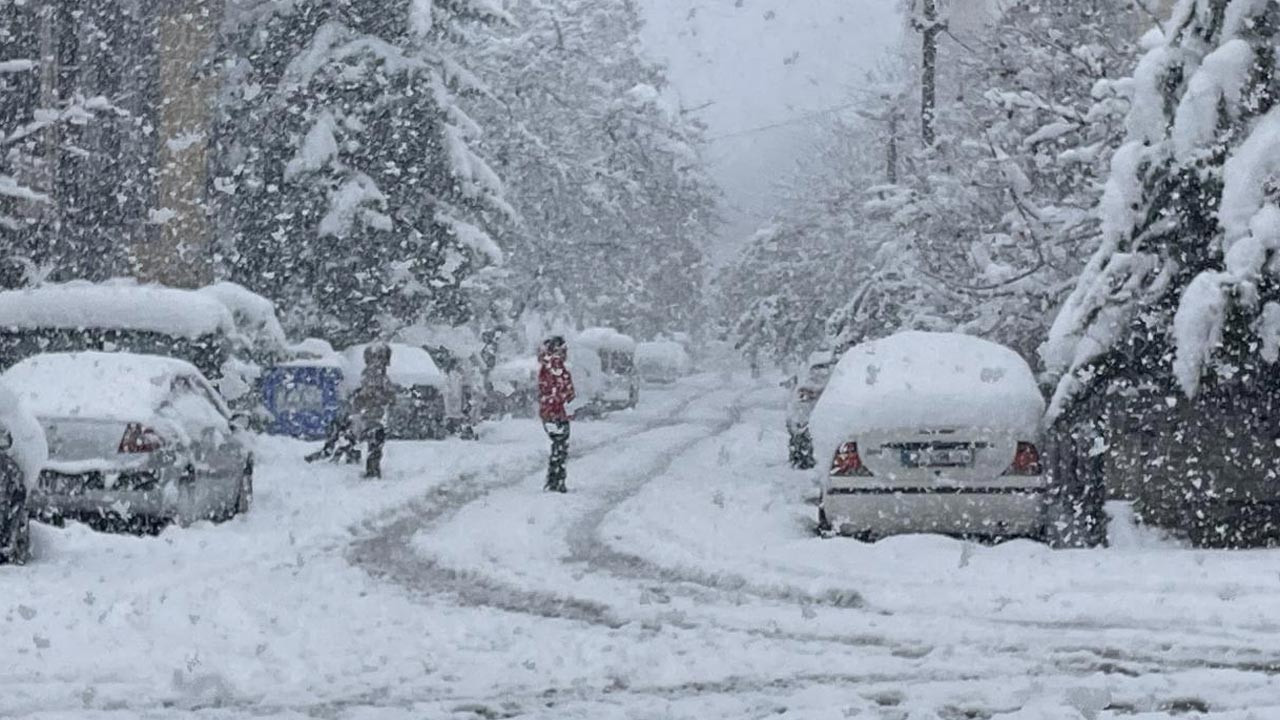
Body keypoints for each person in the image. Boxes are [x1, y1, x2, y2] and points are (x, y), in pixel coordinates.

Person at [349, 342, 395, 479]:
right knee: (375, 444)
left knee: (373, 444)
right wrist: (386, 397)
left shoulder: (370, 374)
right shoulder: (376, 375)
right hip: (373, 416)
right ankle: (372, 471)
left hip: (371, 416)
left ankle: (372, 469)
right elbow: (375, 394)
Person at [537, 336, 575, 493]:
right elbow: (560, 389)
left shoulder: (547, 366)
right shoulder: (555, 367)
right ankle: (557, 480)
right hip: (556, 412)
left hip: (550, 411)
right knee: (560, 446)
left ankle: (555, 479)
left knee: (558, 446)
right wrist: (565, 398)